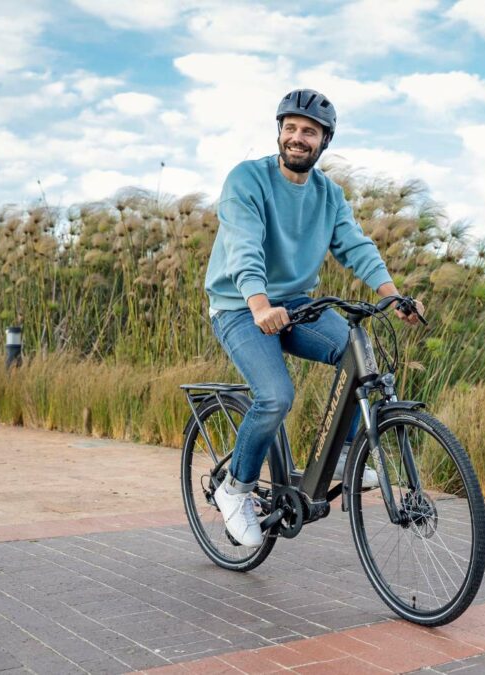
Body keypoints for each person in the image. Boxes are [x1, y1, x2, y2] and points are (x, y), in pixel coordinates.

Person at [203, 88, 424, 547]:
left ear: (324, 142)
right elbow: (244, 245)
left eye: (309, 132)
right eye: (291, 129)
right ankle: (236, 489)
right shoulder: (247, 180)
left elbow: (355, 246)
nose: (298, 138)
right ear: (279, 133)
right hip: (240, 305)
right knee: (276, 395)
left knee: (361, 358)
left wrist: (393, 295)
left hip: (298, 302)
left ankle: (345, 458)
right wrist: (259, 304)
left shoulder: (328, 194)